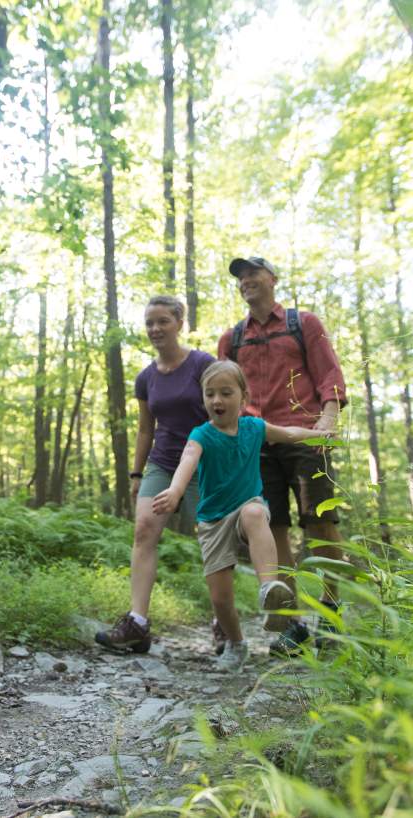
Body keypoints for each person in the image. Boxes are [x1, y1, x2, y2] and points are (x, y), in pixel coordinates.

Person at [152, 360, 335, 673]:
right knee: (220, 598)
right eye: (210, 394)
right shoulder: (202, 434)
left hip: (247, 506)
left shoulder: (255, 427)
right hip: (213, 520)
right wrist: (175, 490)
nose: (217, 400)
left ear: (243, 397)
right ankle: (237, 643)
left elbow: (288, 433)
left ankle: (269, 588)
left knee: (254, 512)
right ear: (204, 400)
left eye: (226, 392)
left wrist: (318, 436)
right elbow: (188, 459)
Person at [218, 256, 346, 656]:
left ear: (272, 279)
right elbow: (222, 392)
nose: (246, 281)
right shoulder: (232, 338)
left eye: (253, 273)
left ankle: (331, 612)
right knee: (273, 530)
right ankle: (292, 623)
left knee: (320, 524)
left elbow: (329, 375)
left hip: (305, 436)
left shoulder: (302, 323)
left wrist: (328, 419)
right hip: (256, 443)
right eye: (240, 277)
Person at [95, 295, 214, 652]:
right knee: (144, 531)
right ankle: (138, 624)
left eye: (162, 321)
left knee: (211, 538)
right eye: (149, 323)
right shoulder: (146, 377)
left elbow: (222, 411)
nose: (155, 329)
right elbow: (146, 428)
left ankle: (222, 622)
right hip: (163, 462)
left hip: (203, 461)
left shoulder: (202, 364)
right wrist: (135, 473)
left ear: (179, 322)